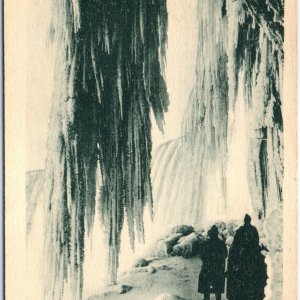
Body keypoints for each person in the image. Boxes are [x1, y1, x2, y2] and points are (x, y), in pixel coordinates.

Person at [227, 214, 268, 300]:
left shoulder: (240, 230)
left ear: (244, 221)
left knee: (241, 277)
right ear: (250, 220)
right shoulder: (254, 229)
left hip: (243, 257)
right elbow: (256, 243)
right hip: (253, 256)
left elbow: (236, 244)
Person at [198, 225, 227, 300]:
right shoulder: (222, 244)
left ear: (210, 234)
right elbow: (225, 255)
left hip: (207, 269)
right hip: (218, 270)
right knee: (218, 290)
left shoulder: (205, 243)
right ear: (217, 234)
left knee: (206, 290)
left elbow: (201, 256)